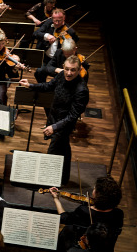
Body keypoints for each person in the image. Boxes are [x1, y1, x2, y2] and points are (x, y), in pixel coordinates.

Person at [19, 55, 89, 185]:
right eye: (67, 69)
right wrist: (30, 86)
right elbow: (48, 86)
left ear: (79, 70)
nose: (69, 73)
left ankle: (47, 180)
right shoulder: (62, 75)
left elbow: (73, 116)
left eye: (73, 70)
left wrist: (54, 127)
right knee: (64, 148)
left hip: (64, 125)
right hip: (54, 117)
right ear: (63, 67)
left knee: (52, 151)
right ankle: (63, 178)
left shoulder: (81, 90)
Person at [47, 176, 124, 252]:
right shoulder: (118, 214)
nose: (93, 191)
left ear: (98, 195)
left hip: (82, 250)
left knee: (67, 229)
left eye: (94, 189)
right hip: (105, 251)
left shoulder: (84, 211)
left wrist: (56, 198)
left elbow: (64, 218)